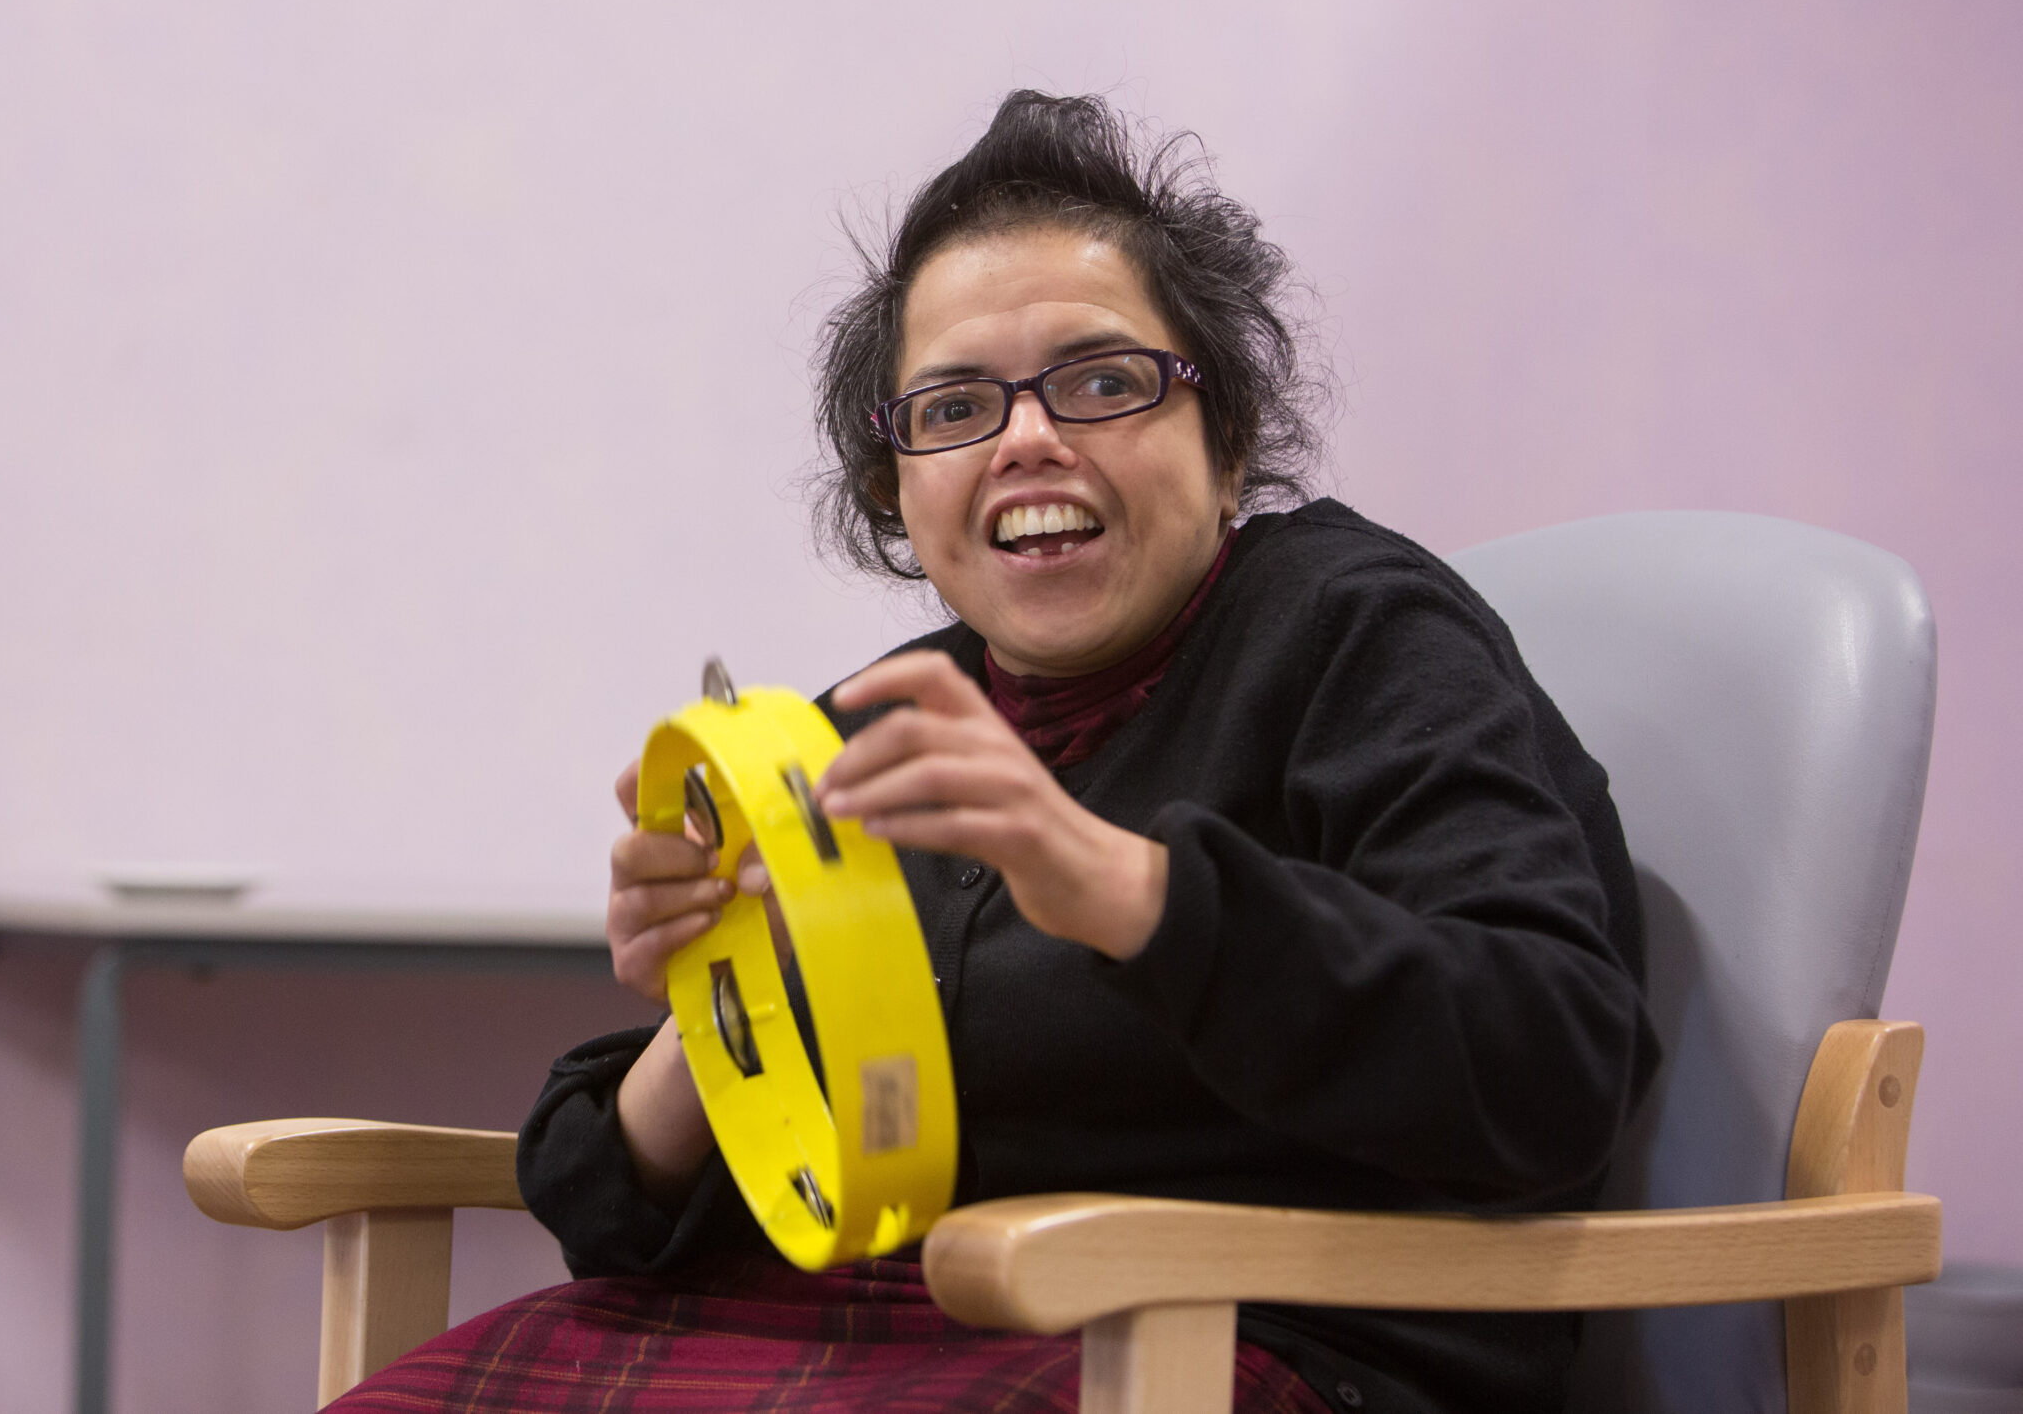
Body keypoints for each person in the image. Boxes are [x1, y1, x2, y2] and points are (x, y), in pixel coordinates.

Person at [328, 92, 1658, 1414]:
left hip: (1251, 1347)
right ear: (899, 489)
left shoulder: (1352, 631)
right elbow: (606, 1213)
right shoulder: (886, 728)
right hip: (879, 1326)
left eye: (1101, 383)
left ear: (1228, 433)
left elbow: (1549, 1062)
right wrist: (719, 1002)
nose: (1027, 438)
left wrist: (1126, 890)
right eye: (955, 407)